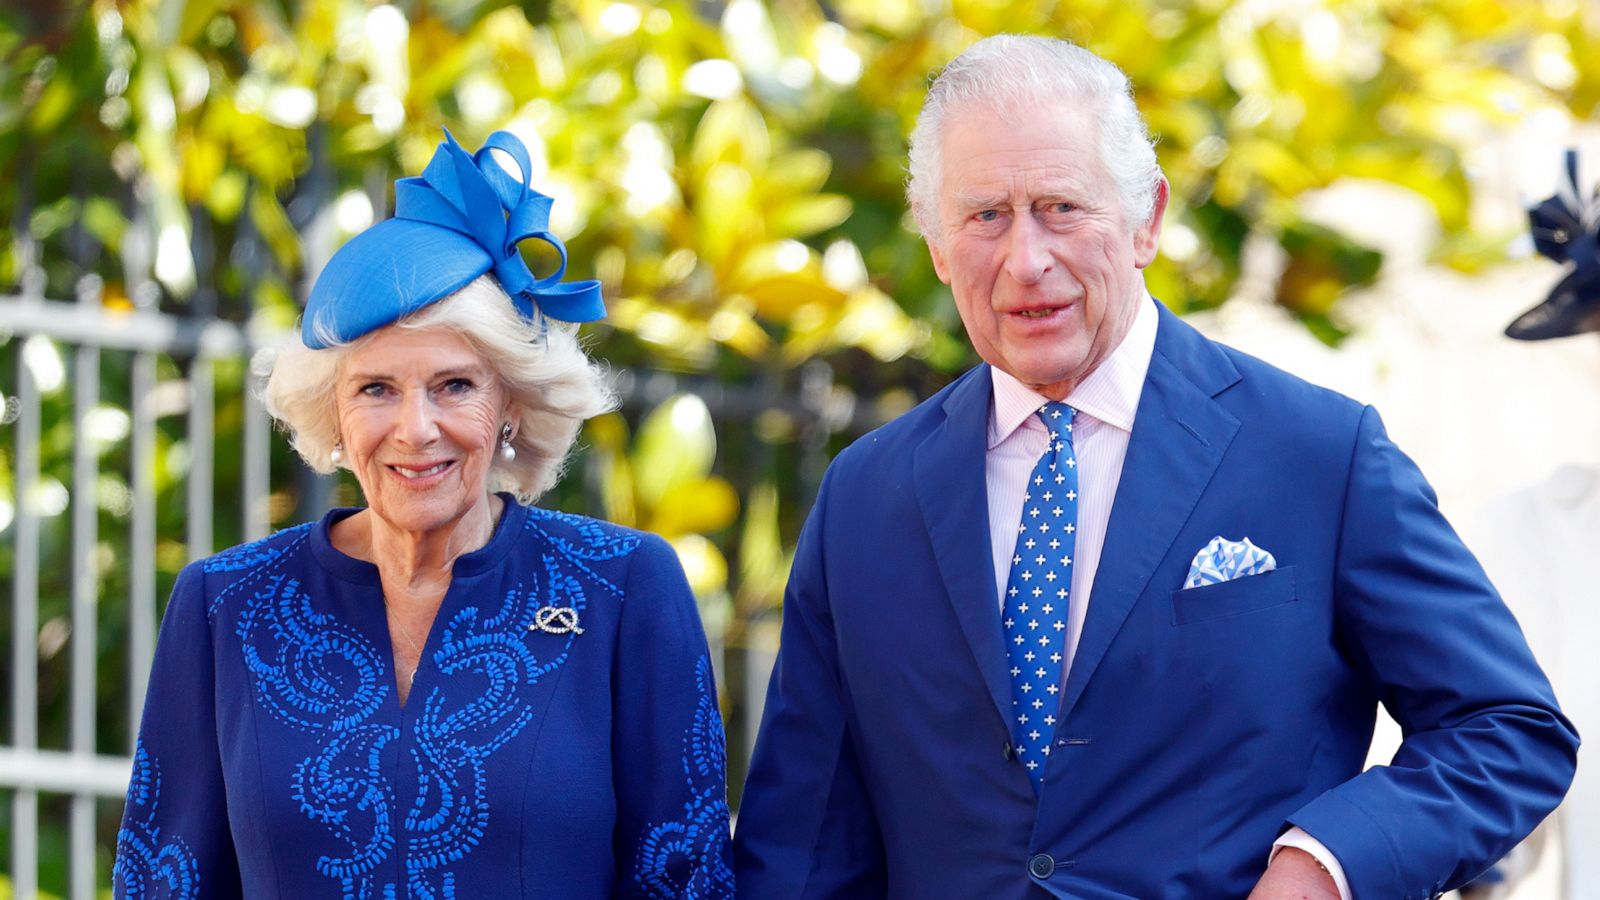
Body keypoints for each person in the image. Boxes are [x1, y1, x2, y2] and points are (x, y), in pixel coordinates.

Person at [732, 34, 1576, 899]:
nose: (1027, 260)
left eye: (1063, 206)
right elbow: (801, 840)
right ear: (938, 244)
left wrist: (1326, 863)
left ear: (1148, 220)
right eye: (985, 215)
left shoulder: (1318, 454)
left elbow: (1506, 730)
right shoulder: (866, 495)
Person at [112, 130, 734, 898]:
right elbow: (162, 882)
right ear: (332, 414)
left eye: (454, 386)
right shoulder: (225, 606)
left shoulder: (622, 589)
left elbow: (688, 878)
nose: (415, 429)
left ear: (510, 403)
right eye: (375, 389)